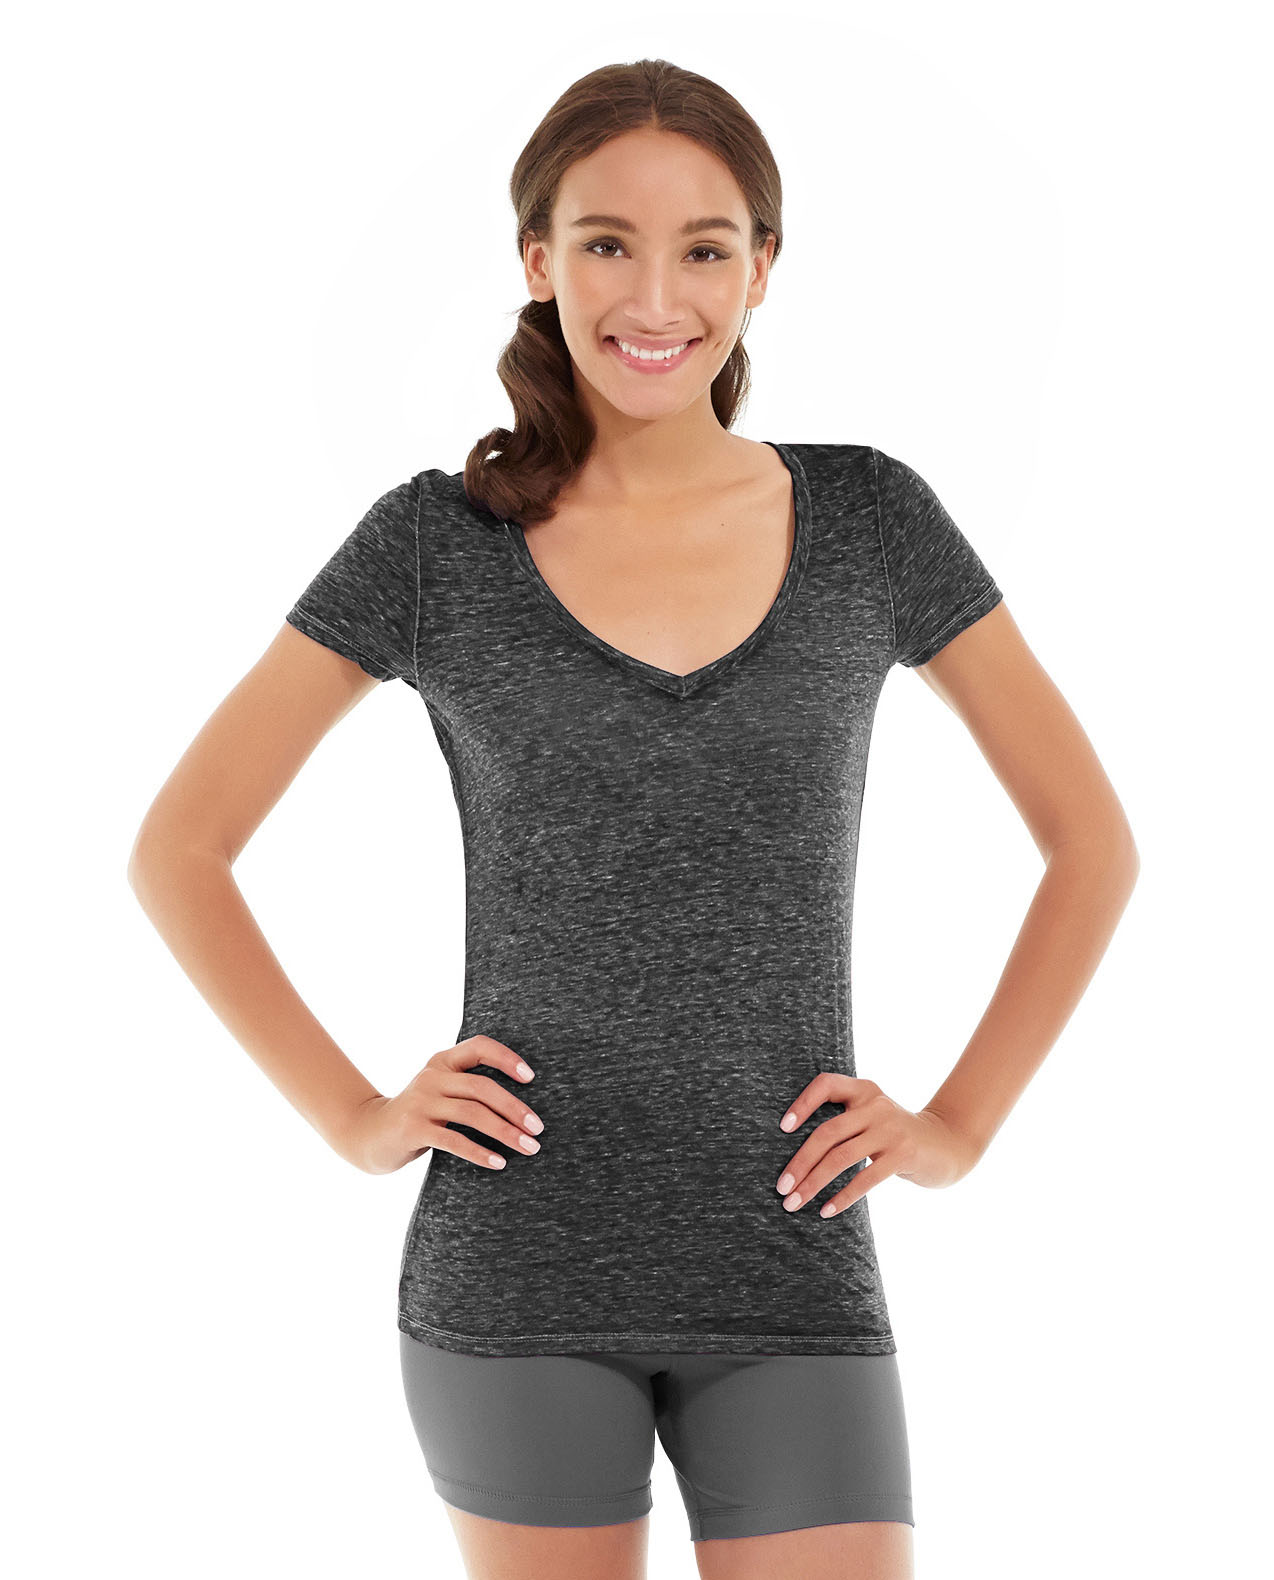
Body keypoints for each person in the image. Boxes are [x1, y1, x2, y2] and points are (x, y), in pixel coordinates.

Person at [127, 57, 1139, 1580]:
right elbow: (181, 849)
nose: (654, 297)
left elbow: (1089, 841)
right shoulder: (434, 544)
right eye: (606, 242)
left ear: (762, 269)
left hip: (791, 1263)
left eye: (704, 248)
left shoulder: (869, 520)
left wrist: (957, 1129)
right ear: (537, 260)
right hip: (516, 1272)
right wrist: (356, 1118)